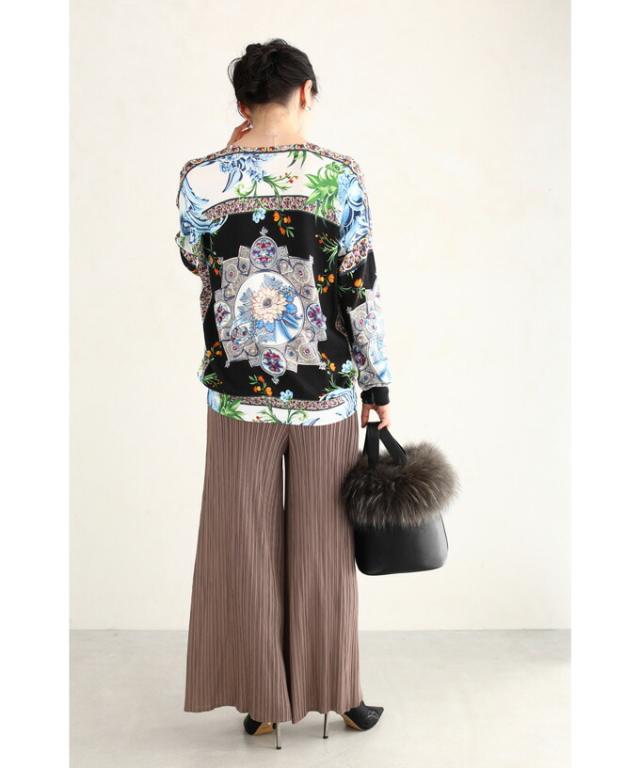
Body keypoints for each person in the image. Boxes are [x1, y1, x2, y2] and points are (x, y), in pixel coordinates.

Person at [176, 38, 392, 749]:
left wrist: (227, 162)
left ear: (242, 102)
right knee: (324, 546)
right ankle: (338, 695)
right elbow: (360, 289)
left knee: (243, 543)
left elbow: (196, 260)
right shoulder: (338, 177)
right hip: (324, 391)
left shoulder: (202, 178)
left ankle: (262, 700)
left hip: (238, 393)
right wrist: (377, 382)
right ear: (305, 92)